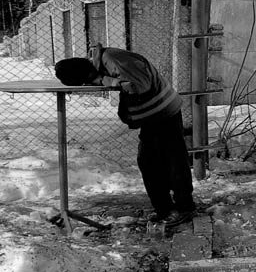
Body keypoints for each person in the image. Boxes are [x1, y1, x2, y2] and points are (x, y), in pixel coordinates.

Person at [54, 43, 196, 228]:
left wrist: (102, 80)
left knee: (171, 161)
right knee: (152, 162)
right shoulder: (106, 62)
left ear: (87, 71)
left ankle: (183, 208)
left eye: (86, 80)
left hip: (163, 112)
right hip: (155, 115)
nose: (90, 83)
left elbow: (139, 85)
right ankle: (166, 209)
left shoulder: (113, 60)